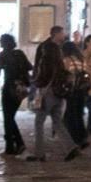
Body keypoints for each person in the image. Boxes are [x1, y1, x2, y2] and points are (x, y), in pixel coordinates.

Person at [27, 25, 66, 160]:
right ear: (56, 34)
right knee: (54, 120)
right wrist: (41, 85)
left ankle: (40, 154)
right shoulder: (49, 48)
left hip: (50, 89)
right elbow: (43, 69)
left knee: (42, 121)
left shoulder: (53, 47)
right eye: (62, 33)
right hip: (51, 89)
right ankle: (70, 148)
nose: (64, 35)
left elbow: (41, 69)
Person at [0, 33, 32, 156]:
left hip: (8, 88)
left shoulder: (2, 55)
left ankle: (14, 145)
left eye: (0, 41)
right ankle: (14, 145)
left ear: (4, 43)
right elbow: (29, 67)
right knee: (10, 117)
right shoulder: (19, 53)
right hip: (20, 89)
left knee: (8, 118)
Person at [57, 40, 91, 160]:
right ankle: (83, 137)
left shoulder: (67, 60)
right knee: (78, 114)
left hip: (72, 91)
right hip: (82, 90)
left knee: (70, 115)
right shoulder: (82, 60)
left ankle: (75, 141)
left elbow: (64, 75)